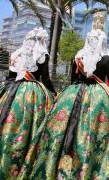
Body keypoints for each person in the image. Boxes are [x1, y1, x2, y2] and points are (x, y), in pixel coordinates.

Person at [18, 29, 109, 180]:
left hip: (74, 93)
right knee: (96, 129)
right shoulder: (106, 59)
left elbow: (73, 79)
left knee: (63, 126)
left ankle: (61, 158)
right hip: (100, 97)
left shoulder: (78, 56)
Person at [0, 28, 55, 179]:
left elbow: (11, 76)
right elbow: (46, 79)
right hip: (33, 93)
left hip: (12, 91)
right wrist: (55, 94)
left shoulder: (16, 53)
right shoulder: (42, 55)